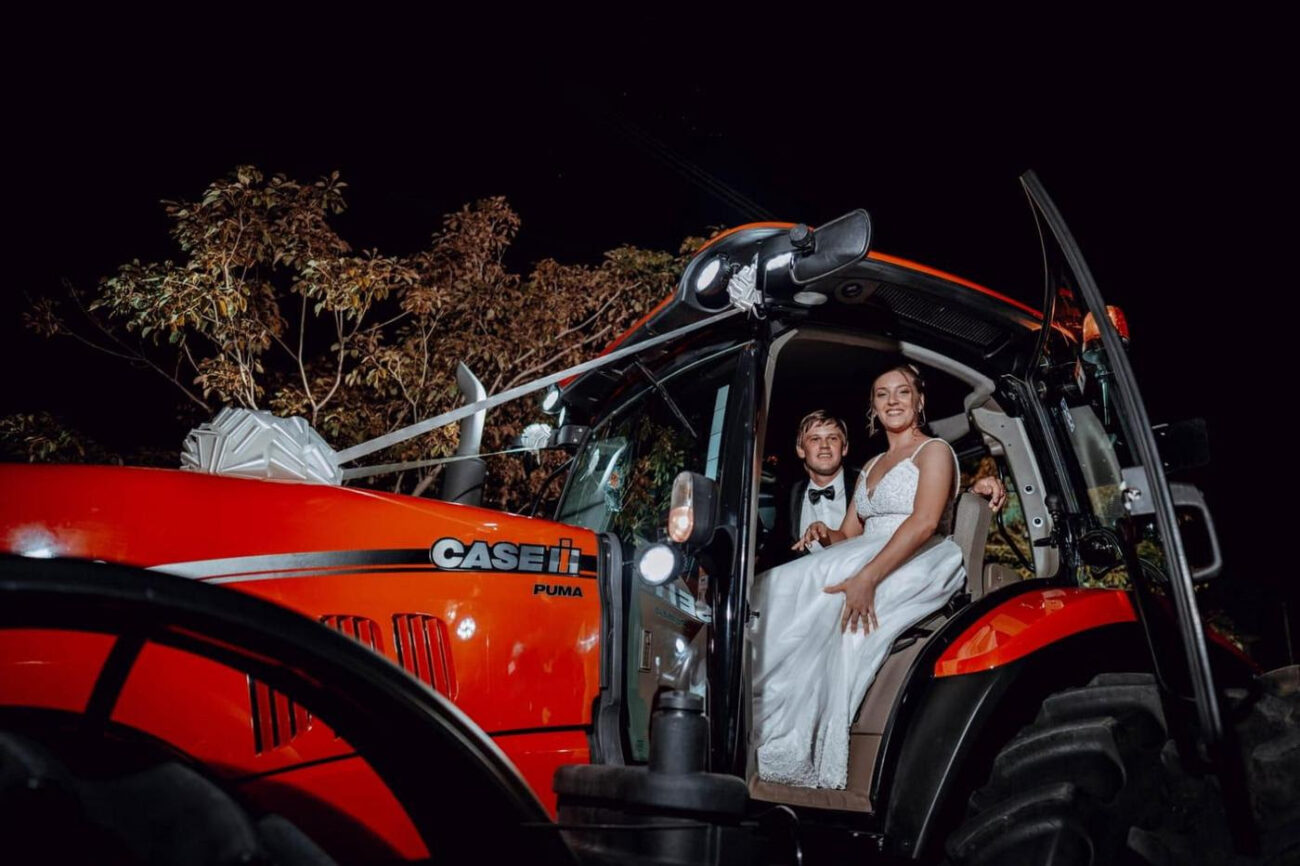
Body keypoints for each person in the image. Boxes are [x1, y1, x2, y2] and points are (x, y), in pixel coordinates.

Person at [751, 364, 977, 789]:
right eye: (882, 394)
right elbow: (849, 534)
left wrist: (868, 579)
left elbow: (925, 522)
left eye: (902, 392)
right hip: (866, 549)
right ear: (873, 406)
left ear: (919, 401)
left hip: (917, 555)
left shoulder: (934, 452)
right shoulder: (872, 464)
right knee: (776, 587)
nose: (892, 401)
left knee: (832, 611)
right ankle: (756, 719)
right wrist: (825, 533)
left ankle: (812, 745)